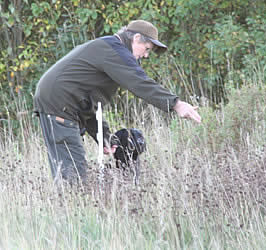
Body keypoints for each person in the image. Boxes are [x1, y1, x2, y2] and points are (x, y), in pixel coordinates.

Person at [34, 20, 201, 185]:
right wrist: (176, 104)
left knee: (70, 172)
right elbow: (139, 83)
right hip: (59, 105)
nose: (146, 55)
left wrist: (104, 138)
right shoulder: (114, 51)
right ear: (136, 38)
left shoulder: (109, 49)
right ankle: (69, 206)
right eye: (147, 49)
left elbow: (87, 104)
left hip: (60, 103)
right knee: (72, 177)